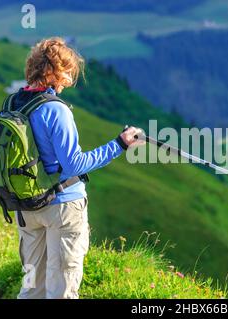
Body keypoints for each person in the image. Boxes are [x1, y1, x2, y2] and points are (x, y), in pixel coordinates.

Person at [14, 37, 144, 299]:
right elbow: (74, 165)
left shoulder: (14, 103)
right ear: (58, 72)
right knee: (61, 289)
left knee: (31, 289)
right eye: (69, 72)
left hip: (25, 206)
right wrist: (119, 144)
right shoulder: (56, 110)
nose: (70, 80)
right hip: (61, 206)